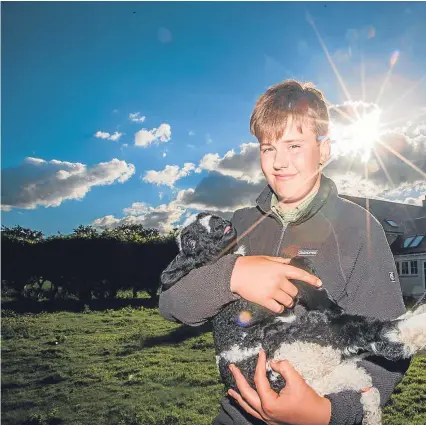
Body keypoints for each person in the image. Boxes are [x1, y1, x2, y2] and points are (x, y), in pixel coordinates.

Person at [159, 79, 411, 425]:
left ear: (324, 150)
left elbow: (389, 343)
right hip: (237, 416)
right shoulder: (235, 227)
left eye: (295, 145)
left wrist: (329, 413)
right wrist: (232, 274)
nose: (280, 162)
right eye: (268, 148)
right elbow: (171, 303)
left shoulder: (359, 228)